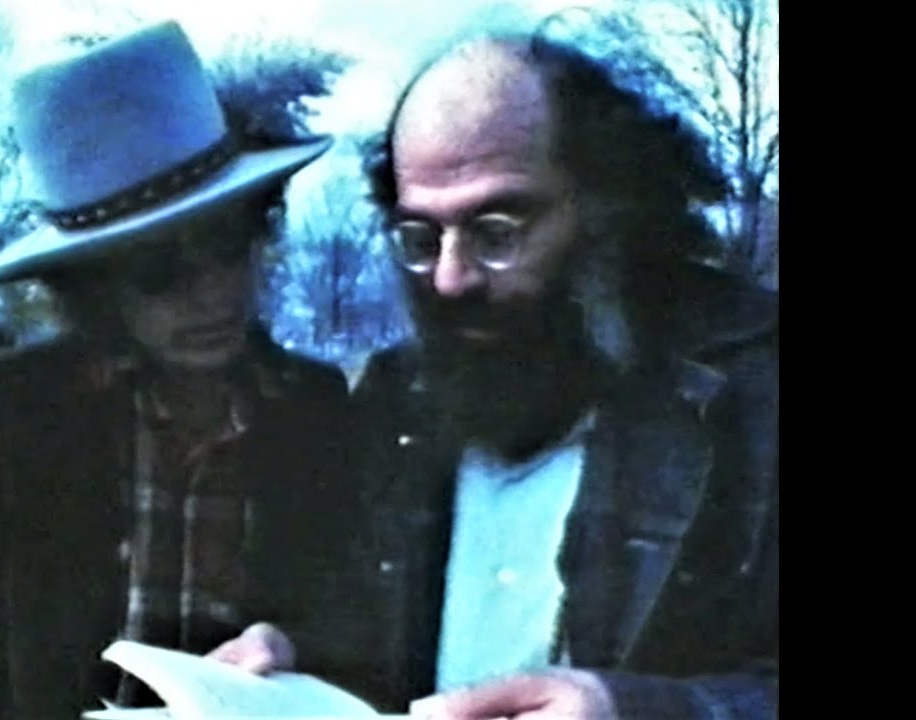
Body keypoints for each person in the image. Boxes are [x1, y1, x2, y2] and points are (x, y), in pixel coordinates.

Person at [233, 15, 777, 720]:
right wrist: (293, 654)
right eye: (419, 236)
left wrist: (642, 711)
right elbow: (377, 637)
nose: (450, 277)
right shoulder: (393, 400)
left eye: (498, 232)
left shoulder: (757, 393)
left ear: (610, 210)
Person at [0, 21, 353, 720]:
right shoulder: (1, 413)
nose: (212, 295)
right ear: (95, 285)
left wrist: (294, 643)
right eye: (160, 272)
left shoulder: (314, 406)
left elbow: (355, 623)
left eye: (228, 246)